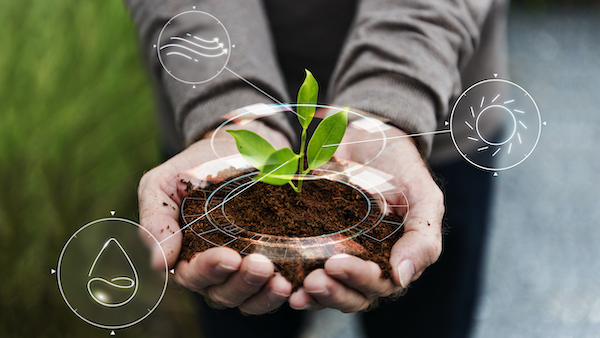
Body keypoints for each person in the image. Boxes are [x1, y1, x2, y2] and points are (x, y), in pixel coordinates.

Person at [126, 0, 508, 337]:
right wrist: (225, 99)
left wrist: (395, 93)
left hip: (430, 103)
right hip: (211, 127)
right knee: (238, 299)